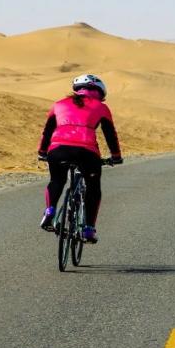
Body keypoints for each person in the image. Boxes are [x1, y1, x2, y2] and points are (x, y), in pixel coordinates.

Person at [37, 74, 122, 244]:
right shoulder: (101, 107)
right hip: (87, 152)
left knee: (57, 181)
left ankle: (50, 210)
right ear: (100, 92)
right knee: (93, 188)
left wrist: (42, 152)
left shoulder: (59, 104)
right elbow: (110, 135)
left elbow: (47, 131)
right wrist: (116, 156)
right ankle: (88, 229)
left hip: (58, 150)